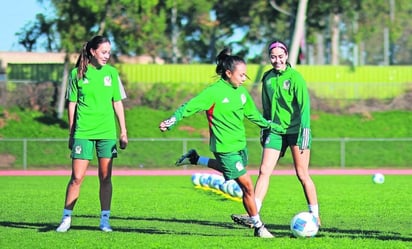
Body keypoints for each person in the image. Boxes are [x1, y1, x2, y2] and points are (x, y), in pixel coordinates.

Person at [178, 40, 320, 228]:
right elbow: (267, 107)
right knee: (264, 171)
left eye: (280, 56)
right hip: (275, 132)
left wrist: (305, 131)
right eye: (273, 57)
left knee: (302, 174)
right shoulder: (267, 78)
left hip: (296, 132)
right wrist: (265, 129)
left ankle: (315, 216)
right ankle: (254, 214)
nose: (277, 60)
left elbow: (304, 108)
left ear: (286, 55)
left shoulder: (295, 78)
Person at [159, 47, 282, 238]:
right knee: (247, 187)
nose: (244, 78)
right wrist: (172, 120)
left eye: (245, 75)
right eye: (241, 75)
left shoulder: (241, 93)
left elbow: (253, 114)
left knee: (230, 172)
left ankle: (196, 159)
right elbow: (189, 107)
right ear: (228, 73)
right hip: (225, 148)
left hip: (240, 146)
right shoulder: (214, 92)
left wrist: (272, 126)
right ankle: (259, 227)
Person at [56, 35, 128, 233]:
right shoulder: (76, 74)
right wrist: (72, 132)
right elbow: (72, 104)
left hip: (106, 132)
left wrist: (123, 131)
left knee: (105, 177)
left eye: (109, 53)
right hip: (83, 132)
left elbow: (117, 102)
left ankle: (105, 220)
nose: (107, 56)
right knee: (77, 177)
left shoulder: (112, 74)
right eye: (104, 52)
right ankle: (66, 218)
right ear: (92, 51)